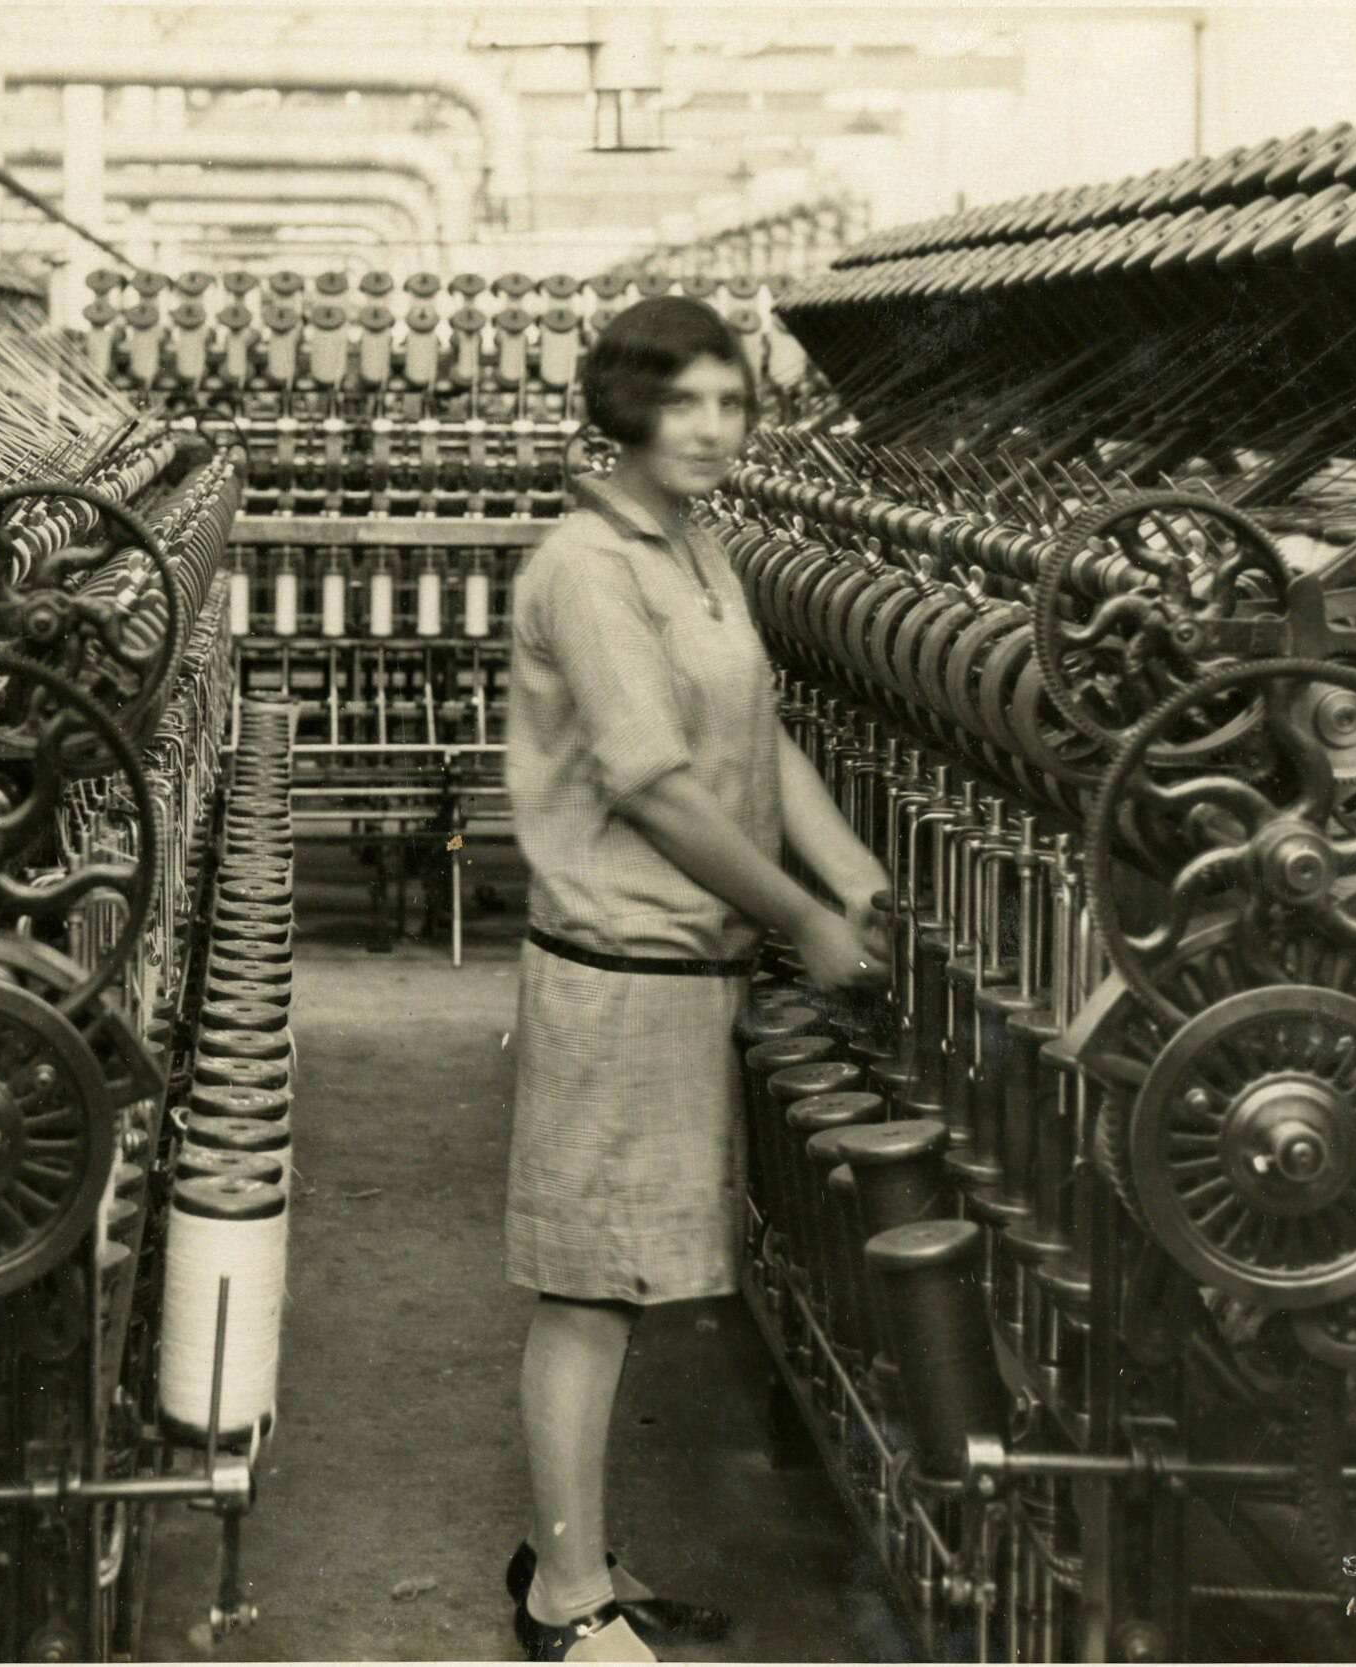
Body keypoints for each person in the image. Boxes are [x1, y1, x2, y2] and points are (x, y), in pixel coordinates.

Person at [501, 295, 891, 1663]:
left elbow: (757, 736)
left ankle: (578, 1552)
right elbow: (656, 787)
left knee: (622, 1279)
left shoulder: (697, 549)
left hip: (686, 971)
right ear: (622, 409)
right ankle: (564, 1603)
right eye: (686, 405)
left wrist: (850, 874)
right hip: (617, 969)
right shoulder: (588, 567)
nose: (715, 430)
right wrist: (799, 910)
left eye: (732, 404)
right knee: (590, 1289)